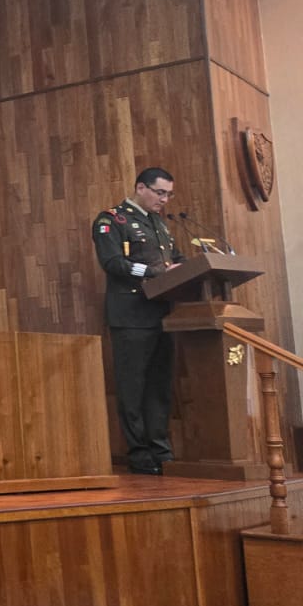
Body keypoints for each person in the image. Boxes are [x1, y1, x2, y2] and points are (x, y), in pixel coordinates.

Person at [91, 167, 183, 475]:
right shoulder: (111, 220)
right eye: (160, 192)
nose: (164, 199)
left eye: (169, 194)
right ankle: (140, 454)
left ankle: (160, 450)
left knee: (159, 386)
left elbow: (175, 260)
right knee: (132, 388)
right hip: (131, 315)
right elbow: (112, 263)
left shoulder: (159, 224)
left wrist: (191, 267)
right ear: (140, 188)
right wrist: (156, 272)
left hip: (161, 314)